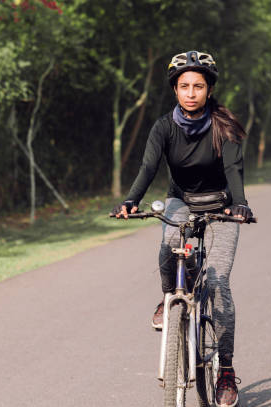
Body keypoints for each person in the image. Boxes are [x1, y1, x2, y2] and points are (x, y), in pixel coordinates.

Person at [111, 50, 253, 407]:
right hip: (182, 200)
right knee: (169, 244)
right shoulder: (163, 127)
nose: (191, 92)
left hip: (221, 204)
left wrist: (240, 204)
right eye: (184, 86)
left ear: (208, 90)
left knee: (218, 283)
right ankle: (169, 297)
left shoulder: (225, 127)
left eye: (199, 86)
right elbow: (147, 167)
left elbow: (235, 171)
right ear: (175, 89)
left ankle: (225, 370)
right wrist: (130, 200)